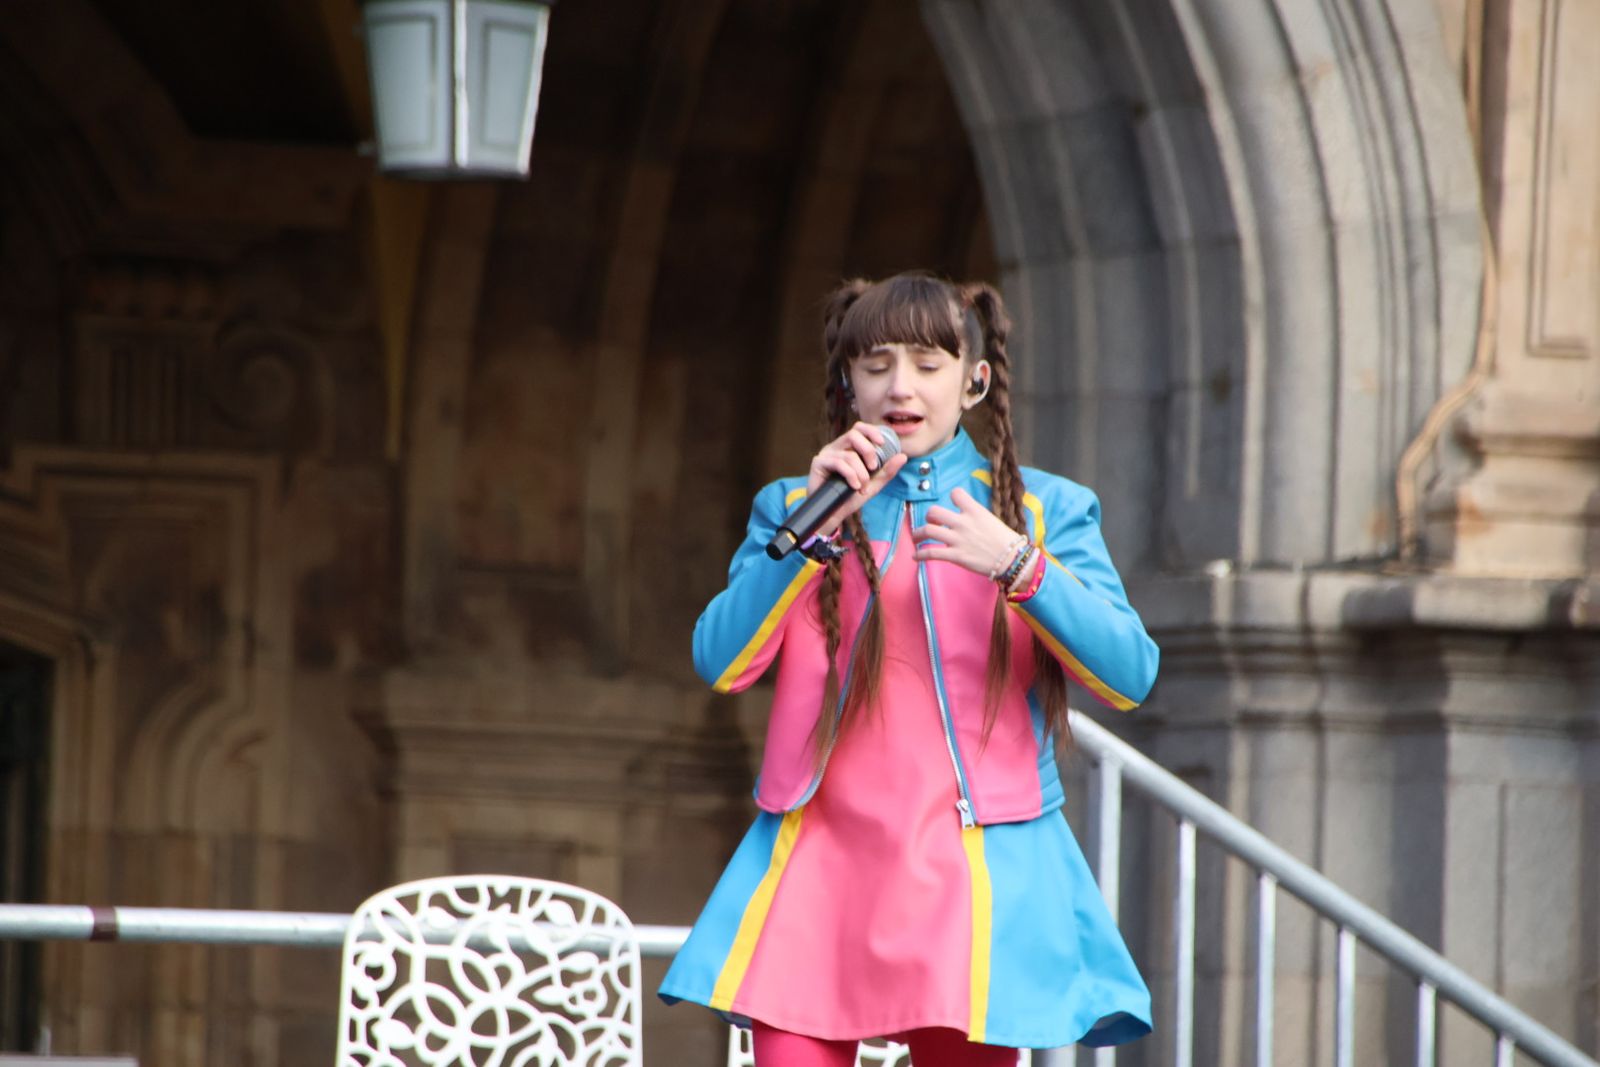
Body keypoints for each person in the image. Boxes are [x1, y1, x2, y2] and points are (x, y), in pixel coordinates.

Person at [659, 273, 1159, 1066]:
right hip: (817, 856)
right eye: (877, 363)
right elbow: (721, 661)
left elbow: (1131, 674)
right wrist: (815, 527)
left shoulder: (1043, 512)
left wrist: (1021, 566)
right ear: (847, 383)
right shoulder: (799, 503)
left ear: (975, 379)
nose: (902, 386)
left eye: (929, 362)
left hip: (971, 870)